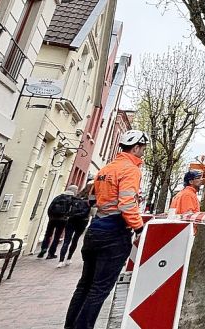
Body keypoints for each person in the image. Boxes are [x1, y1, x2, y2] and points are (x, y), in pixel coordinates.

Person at [64, 130, 149, 329]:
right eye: (143, 149)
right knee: (99, 289)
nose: (143, 153)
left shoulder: (105, 169)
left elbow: (92, 199)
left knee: (84, 285)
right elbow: (127, 204)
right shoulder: (131, 170)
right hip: (114, 232)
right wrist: (138, 227)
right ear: (136, 147)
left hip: (95, 230)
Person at [38, 185, 78, 259]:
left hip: (52, 219)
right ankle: (51, 253)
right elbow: (73, 211)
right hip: (62, 220)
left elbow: (50, 208)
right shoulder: (72, 199)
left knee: (48, 234)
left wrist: (51, 217)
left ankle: (44, 248)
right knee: (57, 236)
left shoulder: (58, 197)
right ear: (74, 191)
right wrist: (67, 217)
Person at [57, 186, 92, 268]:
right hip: (82, 222)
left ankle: (61, 260)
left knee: (66, 241)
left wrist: (69, 216)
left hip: (71, 220)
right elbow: (87, 213)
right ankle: (69, 258)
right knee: (75, 240)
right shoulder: (89, 201)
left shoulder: (75, 198)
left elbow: (67, 209)